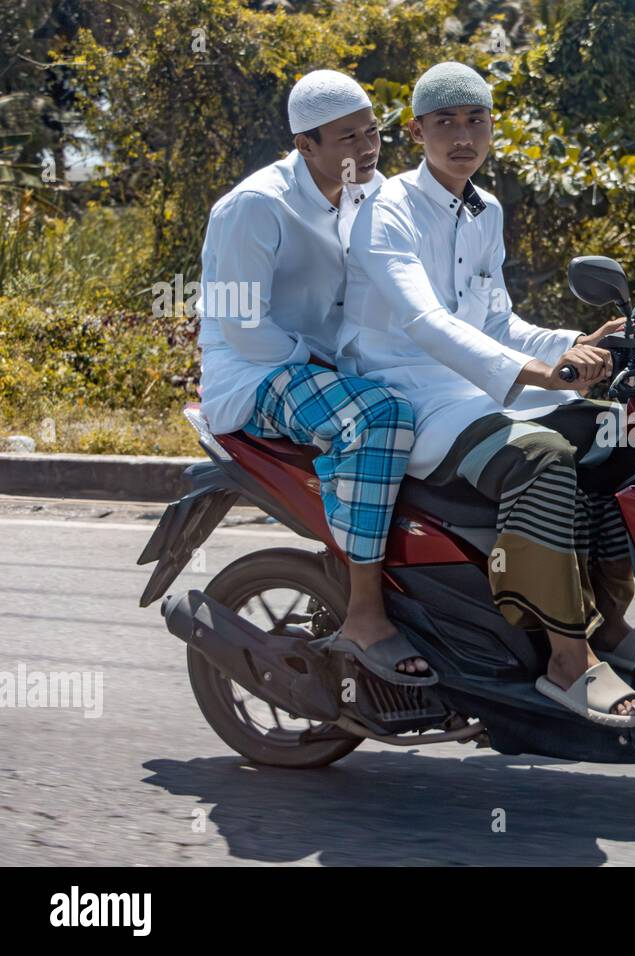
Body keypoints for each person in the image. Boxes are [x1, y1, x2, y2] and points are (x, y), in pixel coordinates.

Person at [339, 62, 635, 727]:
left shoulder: (483, 209)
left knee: (618, 436)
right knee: (542, 455)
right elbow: (425, 322)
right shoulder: (387, 210)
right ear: (416, 131)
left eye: (476, 120)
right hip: (412, 391)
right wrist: (535, 374)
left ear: (492, 124)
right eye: (445, 123)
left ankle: (607, 625)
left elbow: (495, 322)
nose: (463, 136)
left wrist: (579, 341)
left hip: (477, 387)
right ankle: (565, 663)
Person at [196, 69, 433, 685]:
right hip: (255, 373)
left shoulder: (372, 193)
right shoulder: (255, 207)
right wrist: (326, 360)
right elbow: (246, 329)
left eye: (373, 133)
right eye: (348, 137)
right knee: (383, 416)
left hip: (333, 363)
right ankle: (364, 614)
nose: (367, 148)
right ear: (306, 145)